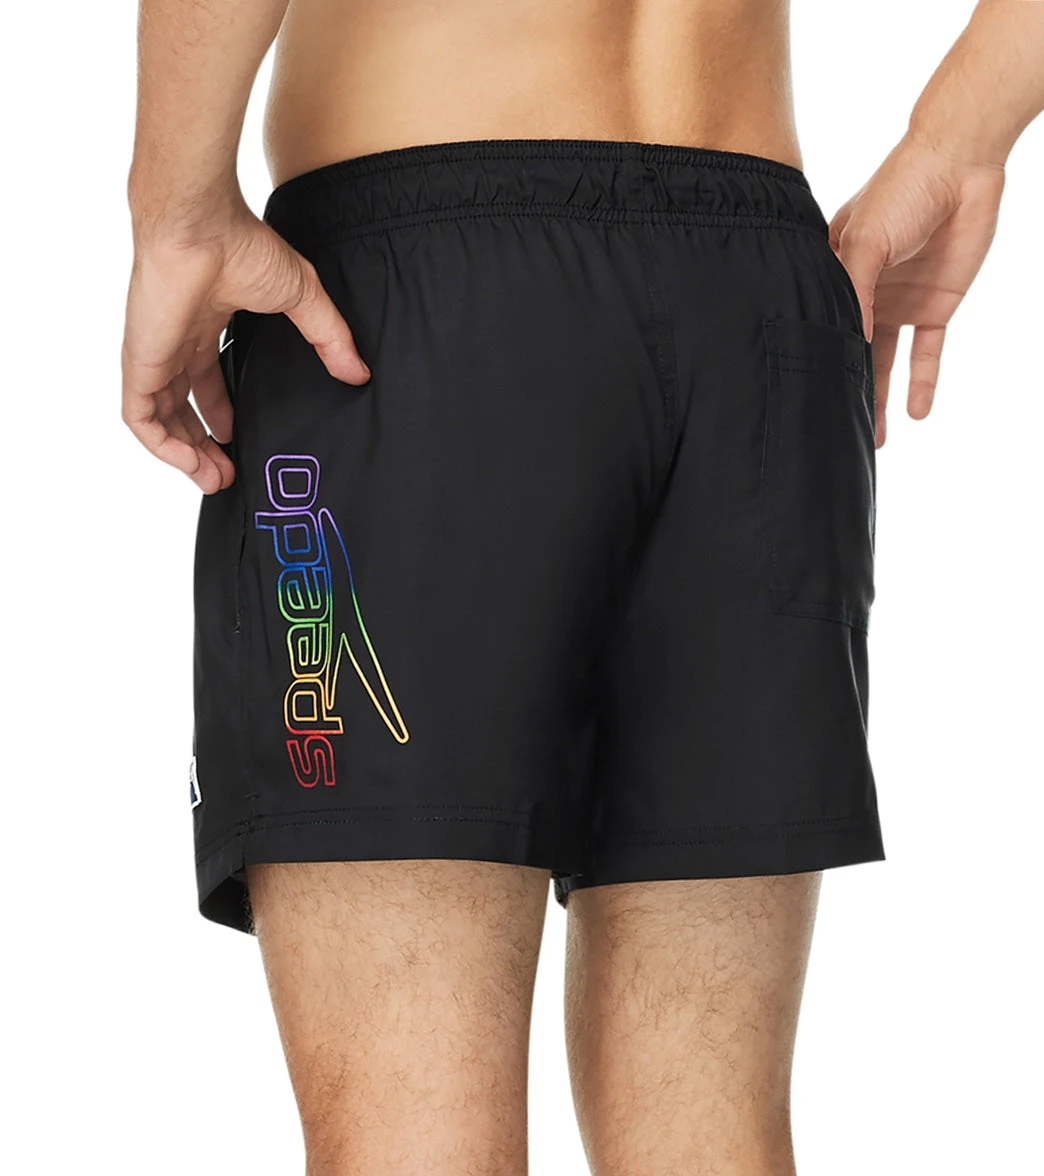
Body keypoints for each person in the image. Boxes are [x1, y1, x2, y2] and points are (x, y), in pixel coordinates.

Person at [121, 0, 1043, 1172]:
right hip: (756, 296)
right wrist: (959, 136)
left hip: (425, 299)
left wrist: (177, 207)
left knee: (414, 1137)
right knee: (709, 1138)